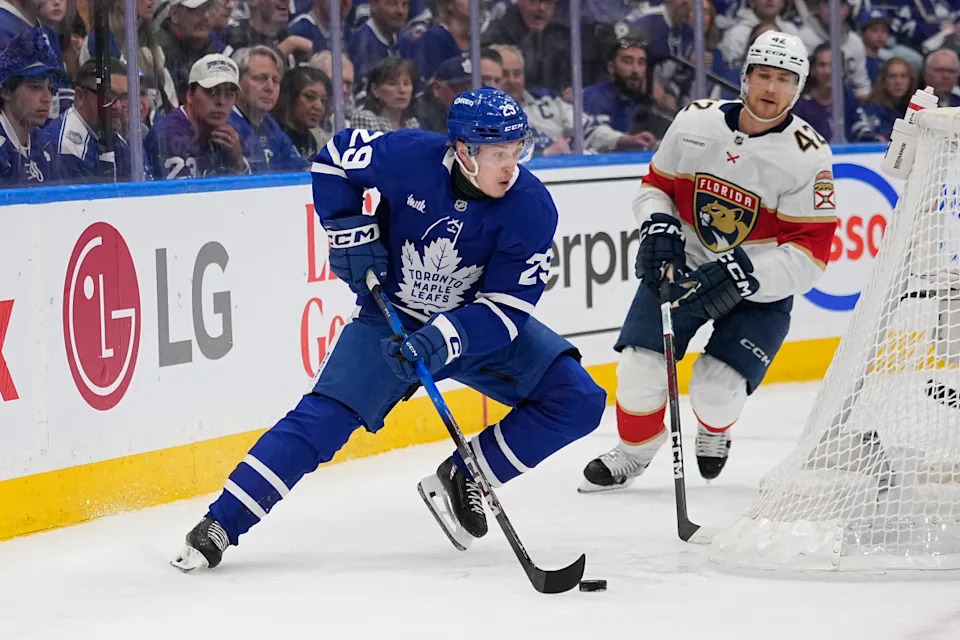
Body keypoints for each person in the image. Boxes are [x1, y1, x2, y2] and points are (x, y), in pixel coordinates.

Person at [170, 86, 606, 571]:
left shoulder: (531, 207)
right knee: (321, 421)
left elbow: (505, 310)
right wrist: (349, 232)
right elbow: (335, 160)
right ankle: (220, 523)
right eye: (498, 154)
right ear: (463, 151)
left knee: (578, 399)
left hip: (473, 330)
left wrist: (443, 339)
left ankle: (468, 475)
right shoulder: (407, 156)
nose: (511, 166)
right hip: (390, 320)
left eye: (517, 151)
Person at [579, 32, 836, 492]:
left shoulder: (807, 157)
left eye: (784, 80)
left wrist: (746, 273)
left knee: (716, 392)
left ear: (797, 89)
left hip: (758, 287)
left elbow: (810, 256)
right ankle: (634, 453)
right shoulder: (695, 122)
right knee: (639, 370)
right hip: (688, 266)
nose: (770, 89)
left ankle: (716, 430)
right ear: (745, 77)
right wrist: (658, 224)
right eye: (762, 75)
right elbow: (654, 186)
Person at [145, 53, 251, 178]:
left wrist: (237, 162)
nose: (221, 101)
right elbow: (180, 196)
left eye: (229, 94)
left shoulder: (232, 130)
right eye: (212, 92)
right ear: (189, 95)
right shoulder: (169, 134)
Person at [45, 58, 138, 181]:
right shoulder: (66, 147)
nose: (118, 106)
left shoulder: (115, 139)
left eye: (124, 97)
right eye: (108, 96)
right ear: (80, 97)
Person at [229, 46, 308, 172]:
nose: (270, 87)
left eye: (276, 80)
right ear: (236, 81)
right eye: (260, 78)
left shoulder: (269, 124)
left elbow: (299, 167)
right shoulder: (225, 122)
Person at [0, 27, 62, 185]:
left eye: (50, 89)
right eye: (35, 87)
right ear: (6, 91)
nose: (46, 98)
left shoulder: (46, 144)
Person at [274, 65, 331, 160]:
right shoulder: (275, 135)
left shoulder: (311, 140)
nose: (319, 107)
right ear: (290, 97)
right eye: (310, 97)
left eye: (323, 101)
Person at [351, 56, 419, 132]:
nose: (402, 90)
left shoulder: (412, 123)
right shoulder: (365, 118)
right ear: (375, 89)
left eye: (406, 84)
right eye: (392, 84)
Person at [863, 57, 914, 140]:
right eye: (892, 76)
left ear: (910, 80)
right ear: (883, 80)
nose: (898, 82)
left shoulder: (916, 110)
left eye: (903, 76)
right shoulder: (873, 110)